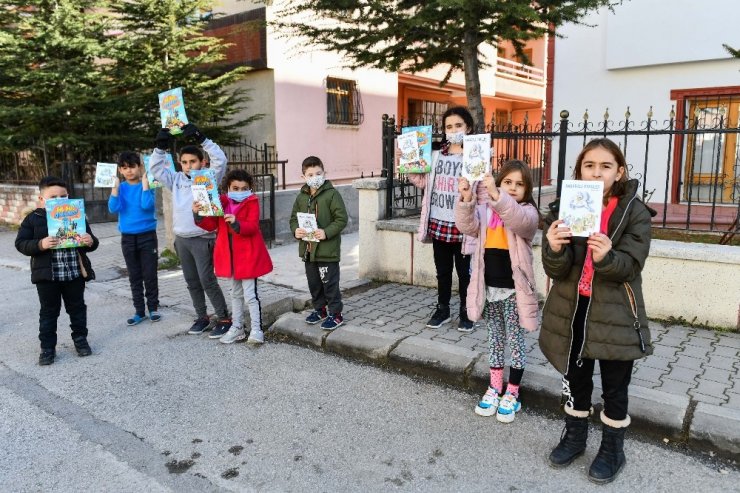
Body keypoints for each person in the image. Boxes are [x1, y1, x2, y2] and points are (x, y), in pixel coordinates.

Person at [541, 138, 654, 484]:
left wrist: (607, 256)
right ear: (579, 171)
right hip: (574, 308)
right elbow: (556, 270)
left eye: (606, 166)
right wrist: (554, 248)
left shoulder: (634, 211)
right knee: (576, 379)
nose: (597, 172)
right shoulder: (567, 206)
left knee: (615, 386)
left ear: (619, 172)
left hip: (615, 314)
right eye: (589, 165)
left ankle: (611, 449)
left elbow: (631, 267)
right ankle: (575, 437)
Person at [455, 160, 539, 423]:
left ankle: (513, 391)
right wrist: (467, 199)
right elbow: (466, 226)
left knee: (514, 340)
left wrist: (496, 195)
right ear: (499, 181)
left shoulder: (527, 212)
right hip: (489, 288)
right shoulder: (485, 210)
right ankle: (494, 387)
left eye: (519, 184)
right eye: (507, 182)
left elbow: (518, 221)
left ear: (527, 190)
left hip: (514, 291)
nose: (512, 188)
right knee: (494, 338)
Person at [150, 124, 231, 337]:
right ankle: (202, 317)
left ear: (202, 162)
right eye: (184, 162)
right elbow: (156, 170)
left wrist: (203, 140)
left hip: (202, 238)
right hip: (182, 239)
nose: (188, 166)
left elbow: (221, 160)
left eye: (192, 161)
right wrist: (160, 148)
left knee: (207, 280)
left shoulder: (208, 178)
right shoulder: (175, 180)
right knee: (192, 281)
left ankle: (223, 317)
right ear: (180, 164)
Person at [15, 176, 99, 365]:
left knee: (77, 309)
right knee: (48, 312)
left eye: (63, 196)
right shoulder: (33, 219)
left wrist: (90, 241)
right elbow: (20, 244)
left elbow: (92, 243)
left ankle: (80, 340)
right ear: (42, 199)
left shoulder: (77, 215)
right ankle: (47, 348)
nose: (59, 200)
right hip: (47, 277)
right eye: (53, 197)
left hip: (74, 274)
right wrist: (40, 244)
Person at [407, 106, 475, 331]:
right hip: (438, 222)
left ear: (468, 128)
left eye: (458, 125)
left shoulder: (476, 157)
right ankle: (443, 308)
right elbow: (423, 183)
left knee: (464, 273)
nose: (453, 130)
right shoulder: (435, 154)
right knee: (443, 271)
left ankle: (467, 312)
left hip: (463, 225)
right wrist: (407, 164)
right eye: (449, 126)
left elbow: (482, 192)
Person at [194, 169, 273, 344]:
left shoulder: (252, 201)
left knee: (250, 295)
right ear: (228, 187)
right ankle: (237, 327)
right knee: (235, 294)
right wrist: (198, 213)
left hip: (247, 257)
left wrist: (236, 223)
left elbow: (252, 226)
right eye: (235, 188)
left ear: (250, 188)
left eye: (244, 188)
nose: (239, 192)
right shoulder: (220, 202)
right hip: (230, 257)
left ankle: (256, 329)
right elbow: (210, 224)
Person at [289, 156, 348, 330]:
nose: (315, 177)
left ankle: (336, 314)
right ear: (304, 177)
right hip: (308, 250)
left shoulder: (332, 194)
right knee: (314, 284)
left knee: (330, 284)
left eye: (318, 173)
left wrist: (326, 232)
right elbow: (293, 218)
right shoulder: (301, 197)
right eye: (310, 174)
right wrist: (296, 231)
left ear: (324, 173)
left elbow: (341, 219)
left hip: (327, 251)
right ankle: (320, 310)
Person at [108, 152, 160, 326]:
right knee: (134, 275)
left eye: (132, 166)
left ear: (139, 167)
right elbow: (113, 208)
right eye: (124, 168)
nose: (129, 171)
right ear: (120, 170)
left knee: (150, 274)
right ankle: (139, 311)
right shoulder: (120, 187)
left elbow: (147, 206)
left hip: (147, 236)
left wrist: (145, 186)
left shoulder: (149, 185)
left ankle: (153, 308)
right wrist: (114, 189)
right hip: (128, 238)